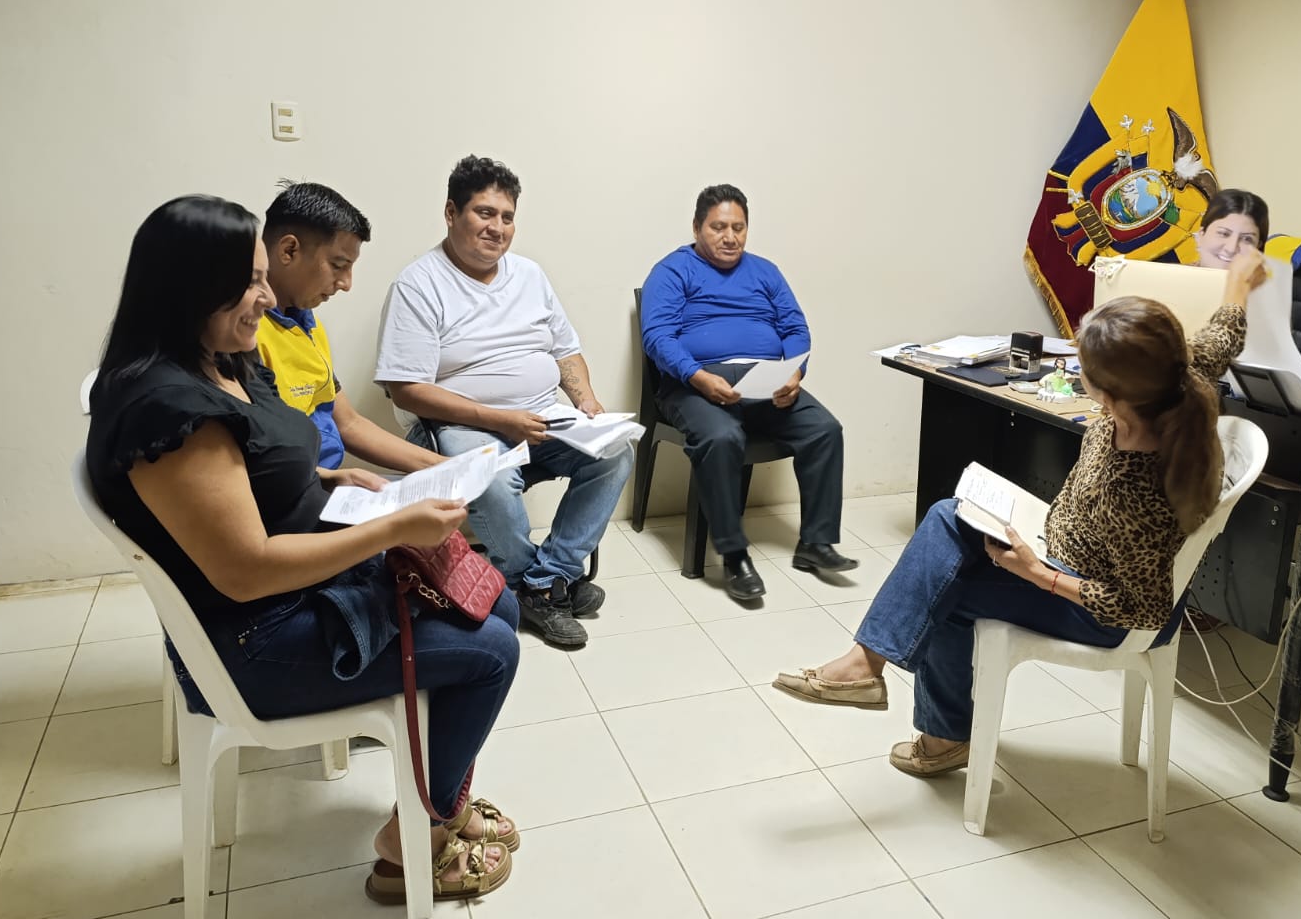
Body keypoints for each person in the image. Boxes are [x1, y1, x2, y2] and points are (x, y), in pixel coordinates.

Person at [86, 195, 522, 903]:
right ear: (192, 287)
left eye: (265, 278)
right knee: (493, 651)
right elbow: (244, 572)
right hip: (254, 639)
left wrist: (329, 478)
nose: (267, 300)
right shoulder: (171, 411)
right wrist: (392, 529)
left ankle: (437, 799)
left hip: (300, 581)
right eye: (251, 282)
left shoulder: (223, 359)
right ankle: (414, 843)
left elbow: (259, 467)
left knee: (497, 601)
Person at [774, 250, 1267, 775]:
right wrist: (1240, 282)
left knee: (944, 589)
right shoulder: (1175, 382)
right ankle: (872, 671)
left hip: (1093, 607)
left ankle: (930, 727)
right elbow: (1221, 336)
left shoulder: (1134, 487)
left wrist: (1038, 574)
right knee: (948, 518)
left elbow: (1142, 610)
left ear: (1108, 393)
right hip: (1064, 549)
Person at [375, 156, 632, 650]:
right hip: (457, 426)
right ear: (451, 213)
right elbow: (406, 389)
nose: (497, 228)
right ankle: (536, 586)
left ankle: (545, 580)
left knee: (615, 451)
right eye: (484, 213)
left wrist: (588, 404)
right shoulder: (418, 284)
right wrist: (500, 419)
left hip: (541, 416)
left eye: (507, 217)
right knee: (490, 479)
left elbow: (566, 351)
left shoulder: (530, 275)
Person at [640, 184, 855, 602]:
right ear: (697, 228)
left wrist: (795, 372)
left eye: (738, 228)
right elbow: (658, 336)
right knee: (722, 437)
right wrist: (698, 376)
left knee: (824, 429)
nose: (730, 237)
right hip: (694, 384)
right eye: (718, 227)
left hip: (767, 381)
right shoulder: (672, 271)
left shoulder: (765, 271)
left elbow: (795, 328)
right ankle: (734, 556)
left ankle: (816, 543)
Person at [255, 180, 443, 476]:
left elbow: (348, 423)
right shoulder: (244, 336)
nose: (346, 283)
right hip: (298, 489)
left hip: (324, 481)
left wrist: (446, 467)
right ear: (289, 250)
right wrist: (335, 480)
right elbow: (261, 461)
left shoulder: (308, 325)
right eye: (338, 265)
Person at [1193, 188, 1269, 270]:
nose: (1231, 249)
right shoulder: (1181, 277)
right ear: (1201, 235)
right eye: (1224, 234)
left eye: (1247, 239)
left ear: (1258, 248)